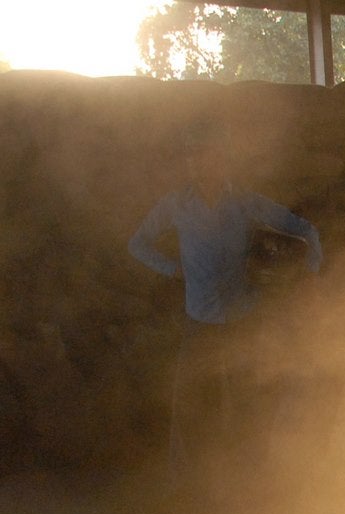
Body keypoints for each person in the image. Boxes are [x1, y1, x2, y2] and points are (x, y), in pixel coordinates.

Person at [129, 120, 323, 486]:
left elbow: (305, 230)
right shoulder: (176, 205)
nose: (202, 164)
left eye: (210, 156)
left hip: (241, 319)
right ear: (190, 163)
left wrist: (311, 274)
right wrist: (170, 269)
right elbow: (137, 243)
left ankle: (248, 482)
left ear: (223, 161)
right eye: (195, 157)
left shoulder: (244, 203)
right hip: (199, 320)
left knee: (249, 401)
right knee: (188, 403)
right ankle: (187, 485)